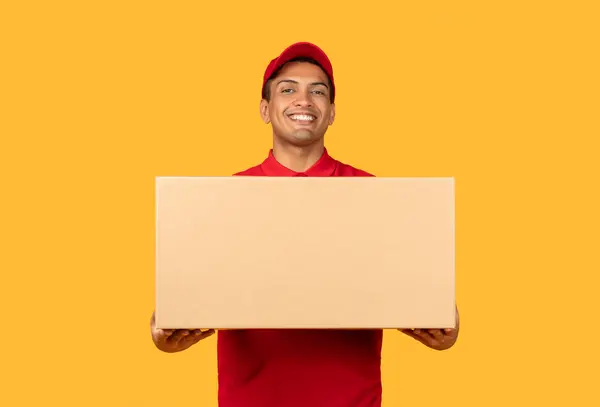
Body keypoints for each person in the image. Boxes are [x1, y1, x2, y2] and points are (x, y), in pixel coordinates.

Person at [150, 42, 460, 407]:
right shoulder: (224, 197)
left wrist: (444, 324)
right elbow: (189, 291)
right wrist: (163, 327)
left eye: (318, 91)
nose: (304, 100)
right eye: (288, 89)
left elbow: (419, 290)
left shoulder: (374, 196)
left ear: (331, 113)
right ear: (265, 110)